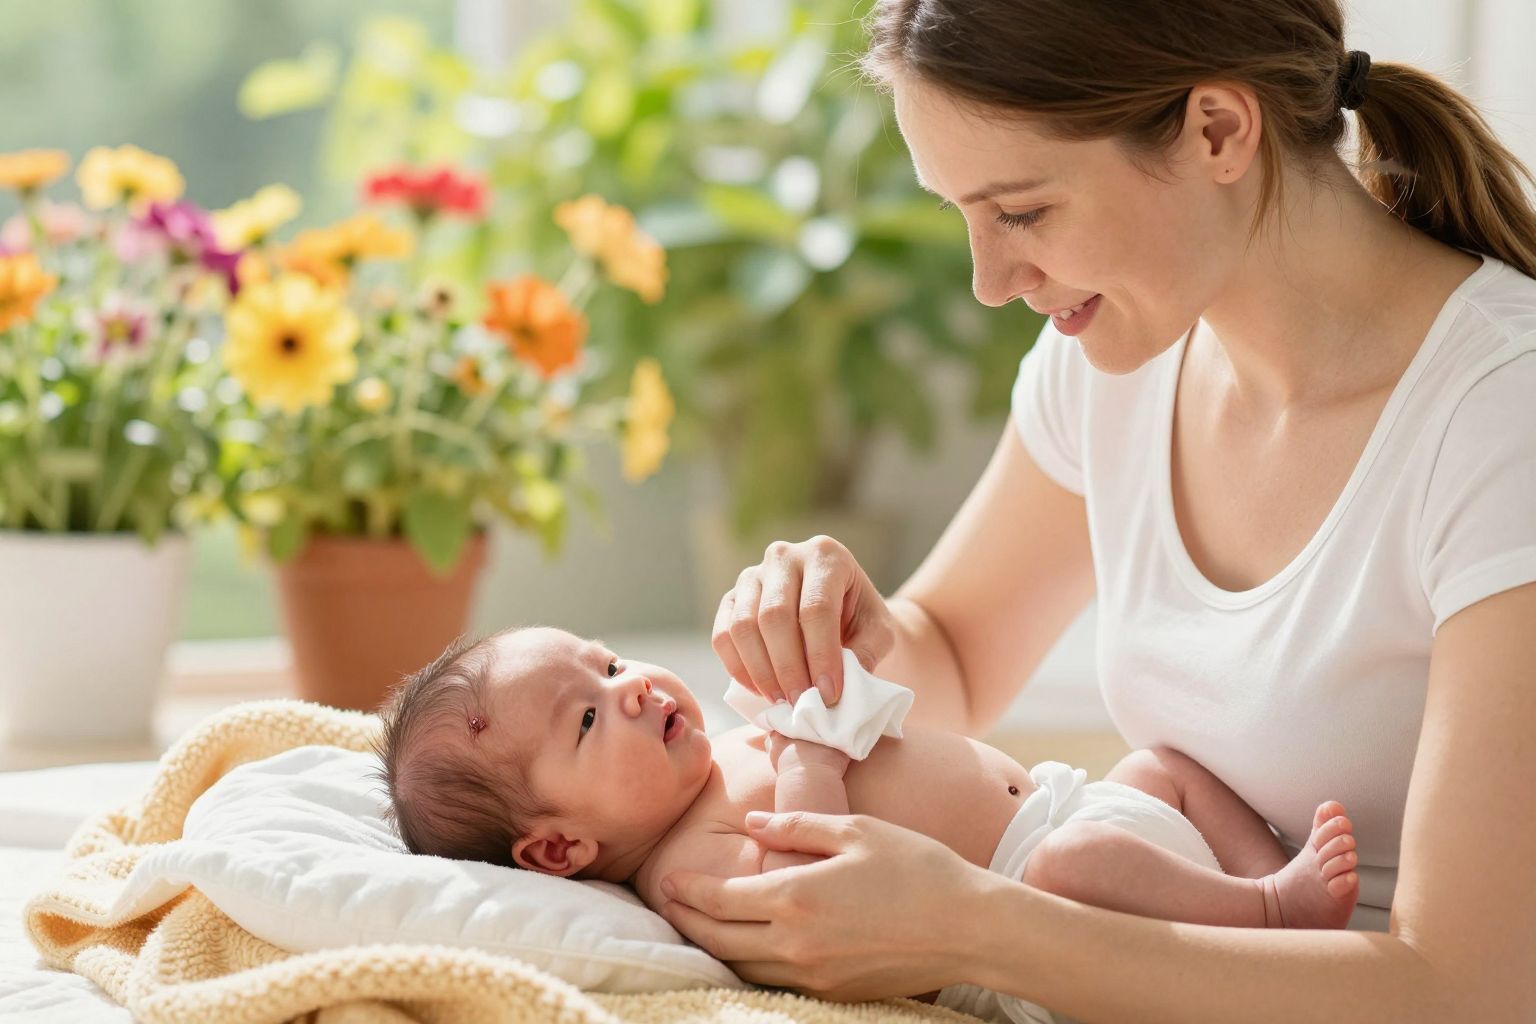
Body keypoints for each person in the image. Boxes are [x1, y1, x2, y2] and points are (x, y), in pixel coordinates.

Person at [652, 1, 1536, 1021]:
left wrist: (975, 924)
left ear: (1218, 130)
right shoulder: (1116, 363)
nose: (990, 281)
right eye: (965, 217)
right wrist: (850, 631)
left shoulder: (1498, 420)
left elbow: (1473, 991)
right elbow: (957, 656)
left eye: (1021, 212)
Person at [376, 624, 1362, 1019]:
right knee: (1070, 862)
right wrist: (809, 756)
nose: (629, 690)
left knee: (1164, 757)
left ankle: (1254, 876)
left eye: (610, 662)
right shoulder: (689, 867)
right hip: (1045, 916)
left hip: (1078, 804)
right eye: (587, 716)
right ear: (559, 847)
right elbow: (819, 890)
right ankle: (1270, 909)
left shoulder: (719, 747)